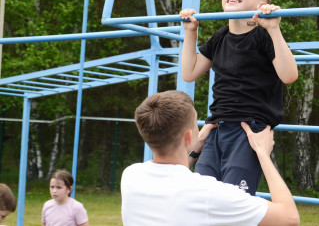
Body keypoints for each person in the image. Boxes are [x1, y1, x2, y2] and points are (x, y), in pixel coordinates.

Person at [180, 0, 298, 195]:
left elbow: (289, 75)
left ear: (262, 4)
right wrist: (190, 33)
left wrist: (274, 29)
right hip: (216, 127)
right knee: (202, 195)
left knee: (234, 198)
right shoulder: (219, 38)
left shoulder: (263, 36)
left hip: (249, 130)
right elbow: (189, 72)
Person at [121, 90, 299, 226]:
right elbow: (289, 218)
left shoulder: (131, 176)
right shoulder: (209, 193)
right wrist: (262, 153)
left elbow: (171, 175)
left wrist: (193, 150)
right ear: (188, 137)